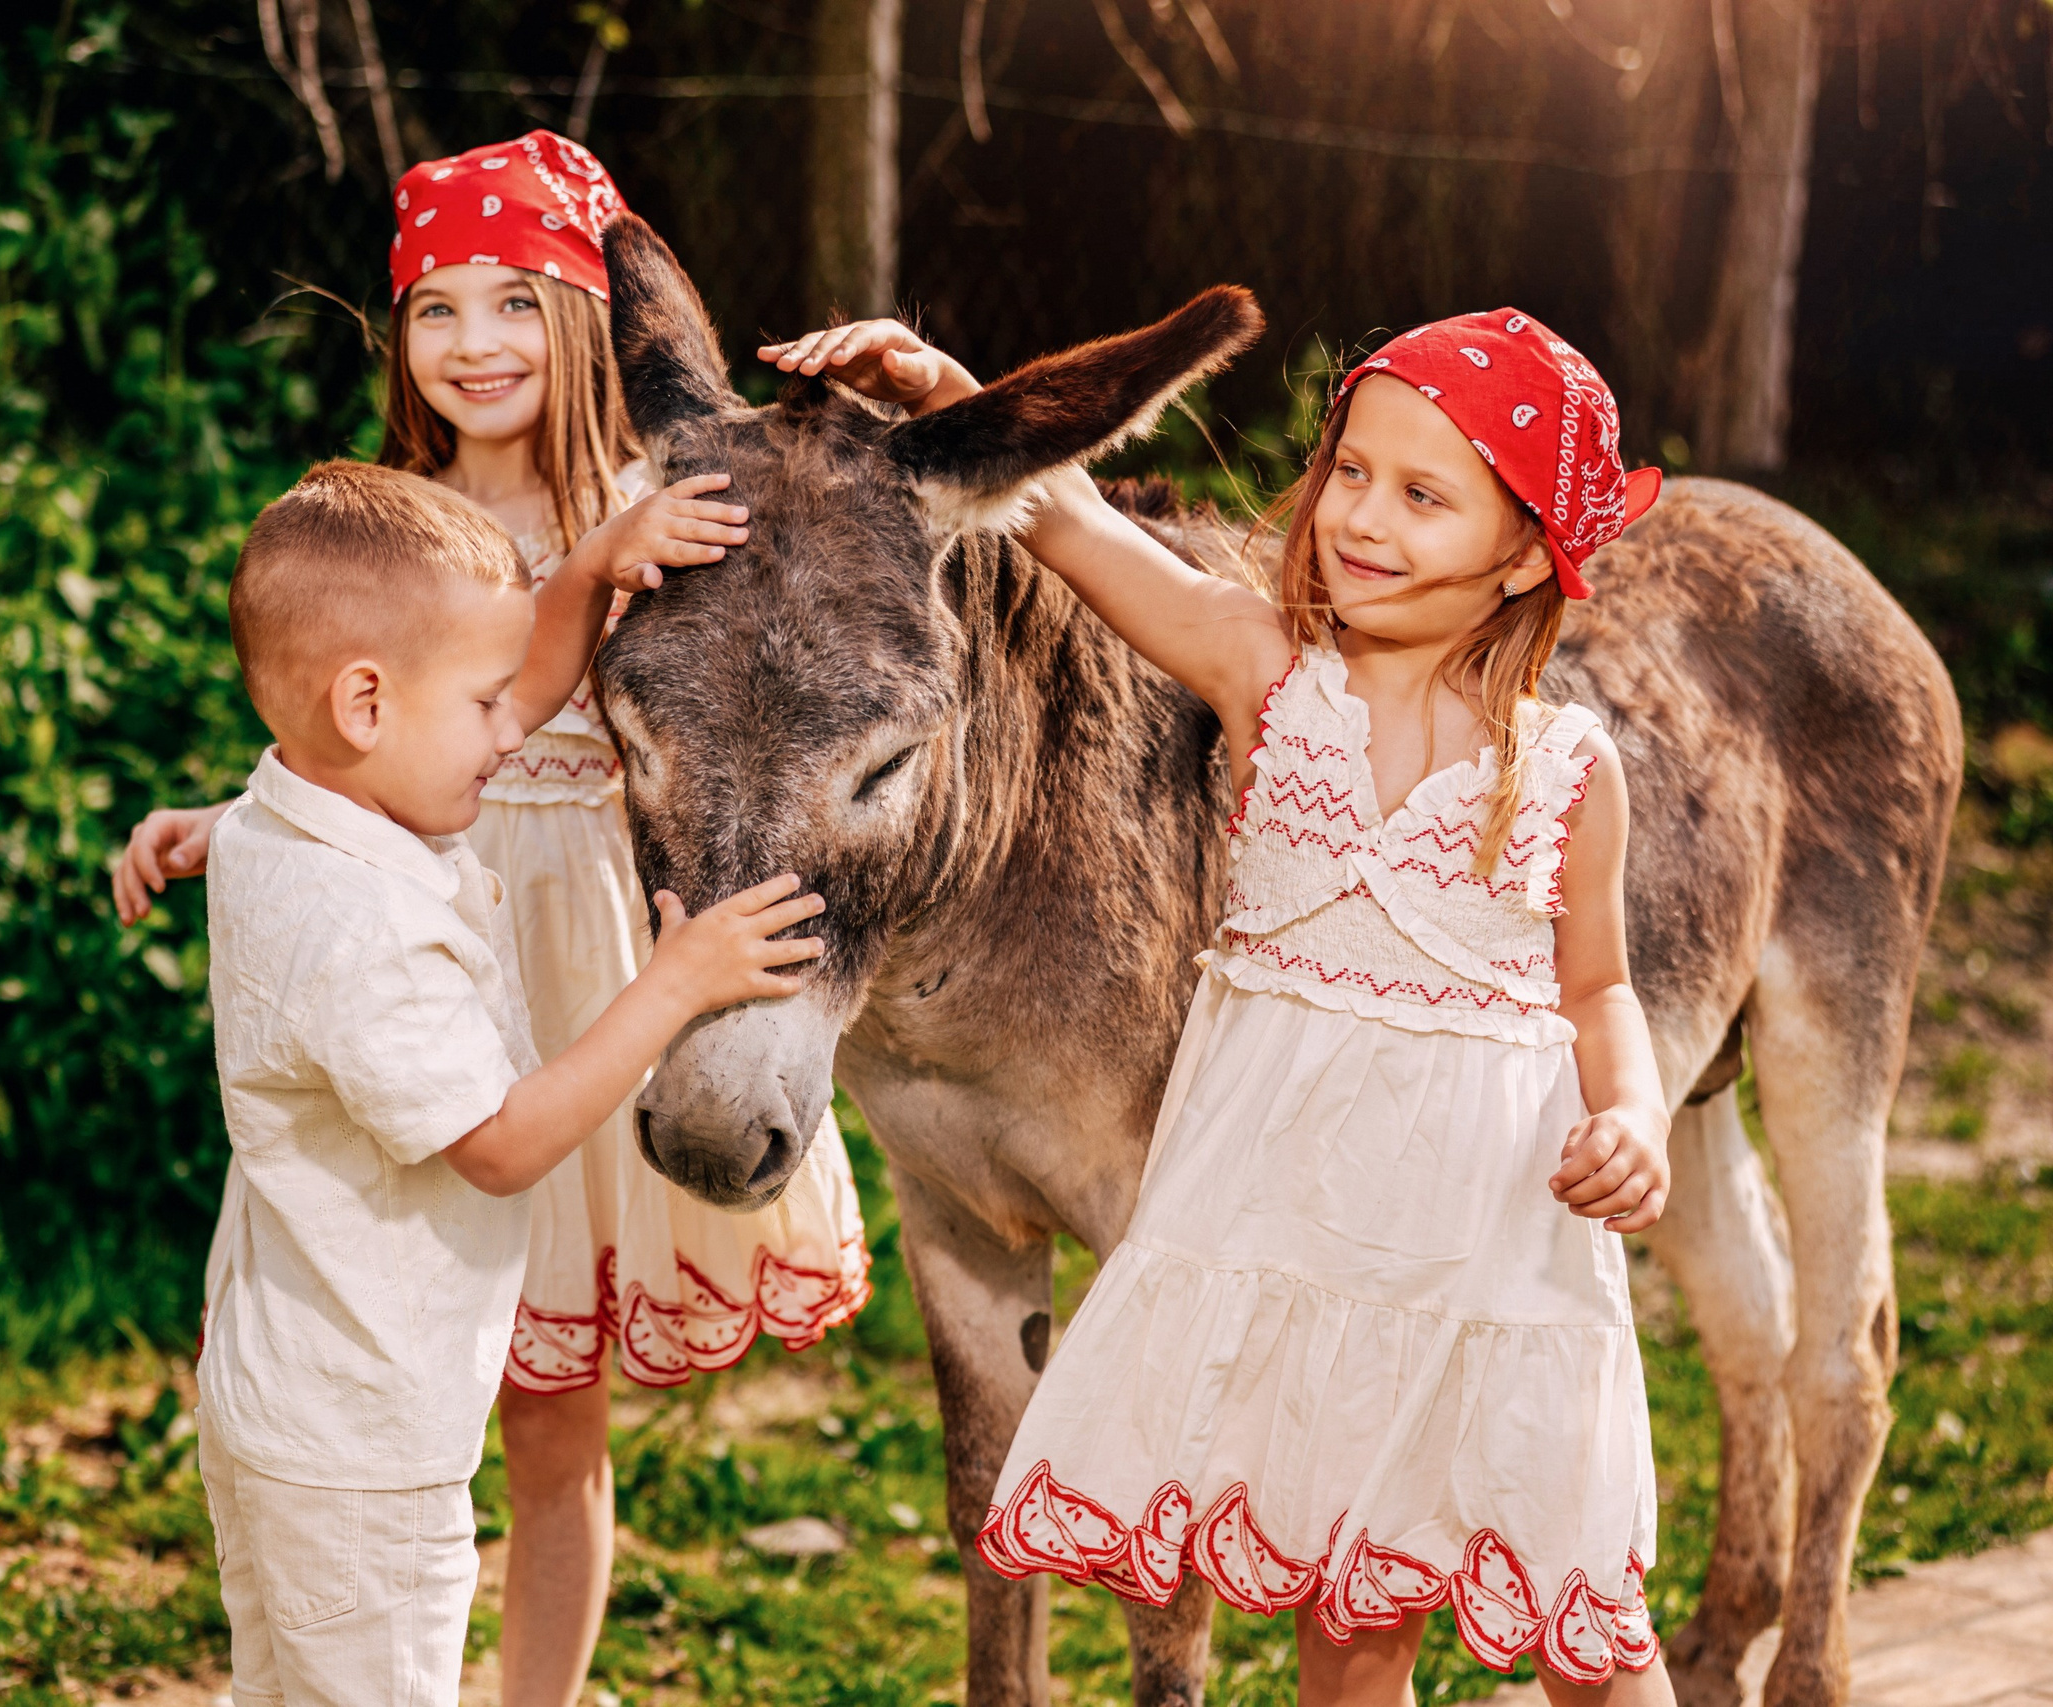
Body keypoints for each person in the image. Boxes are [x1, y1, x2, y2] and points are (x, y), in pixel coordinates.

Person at [763, 309, 1677, 1705]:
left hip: (1494, 1258)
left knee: (1580, 1627)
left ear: (1525, 551)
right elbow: (1068, 526)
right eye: (1350, 472)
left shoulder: (1563, 768)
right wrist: (961, 388)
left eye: (1425, 495)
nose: (1363, 518)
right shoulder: (1268, 680)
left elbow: (1596, 984)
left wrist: (1634, 1111)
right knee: (1346, 1617)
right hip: (1310, 1254)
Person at [113, 132, 869, 1705]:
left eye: (514, 304)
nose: (475, 345)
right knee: (438, 1345)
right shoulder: (396, 522)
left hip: (591, 951)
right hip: (438, 945)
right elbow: (355, 731)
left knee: (550, 1406)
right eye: (437, 310)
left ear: (586, 321)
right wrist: (229, 815)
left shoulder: (662, 504)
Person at [197, 456, 824, 1705]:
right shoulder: (358, 920)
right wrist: (673, 985)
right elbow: (495, 1141)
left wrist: (583, 569)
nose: (512, 727)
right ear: (364, 704)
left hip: (288, 1399)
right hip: (361, 1447)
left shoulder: (275, 821)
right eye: (488, 702)